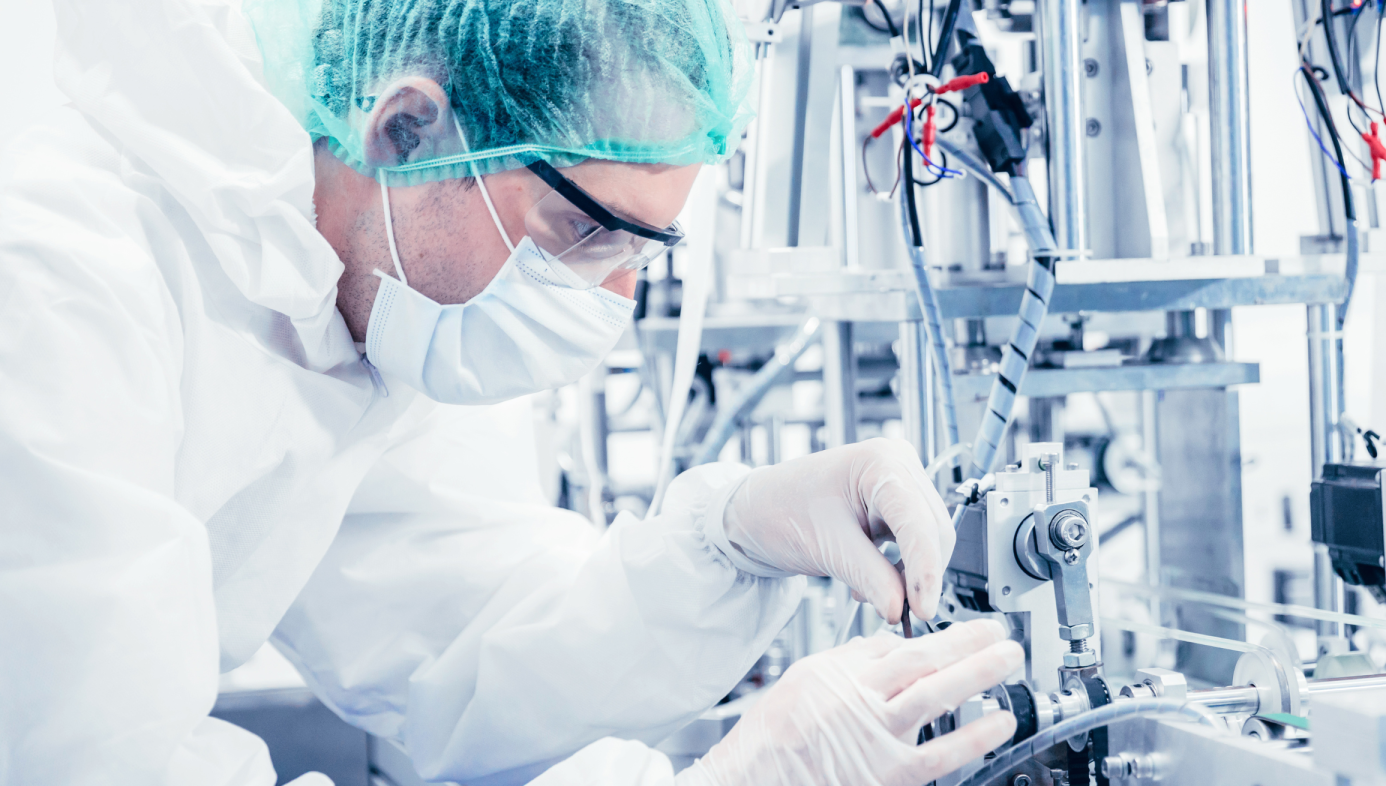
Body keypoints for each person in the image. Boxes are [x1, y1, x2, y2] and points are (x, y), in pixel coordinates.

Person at [0, 0, 1022, 784]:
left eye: (645, 248)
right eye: (587, 231)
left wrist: (735, 539)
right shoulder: (56, 285)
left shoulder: (353, 298)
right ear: (407, 128)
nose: (613, 297)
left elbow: (462, 636)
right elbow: (89, 762)